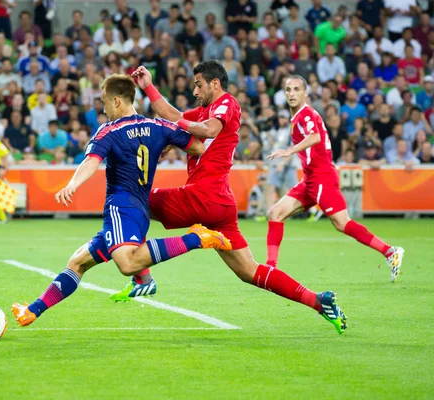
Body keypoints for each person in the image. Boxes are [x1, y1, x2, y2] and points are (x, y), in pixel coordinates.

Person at [129, 62, 347, 334]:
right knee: (249, 271)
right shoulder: (205, 110)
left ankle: (143, 276)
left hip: (203, 196)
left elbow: (207, 130)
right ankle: (318, 300)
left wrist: (177, 127)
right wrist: (148, 86)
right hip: (220, 203)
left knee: (133, 198)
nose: (195, 91)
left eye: (199, 84)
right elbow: (170, 112)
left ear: (215, 84)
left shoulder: (227, 104)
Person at [10, 74, 223, 326]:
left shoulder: (110, 131)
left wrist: (72, 184)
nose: (103, 109)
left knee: (127, 263)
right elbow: (198, 147)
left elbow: (91, 161)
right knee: (78, 262)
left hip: (121, 207)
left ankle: (195, 238)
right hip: (139, 210)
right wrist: (166, 146)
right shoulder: (158, 127)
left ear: (117, 101)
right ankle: (32, 311)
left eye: (104, 102)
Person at [266, 75, 404, 284]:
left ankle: (390, 251)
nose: (292, 94)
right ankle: (271, 268)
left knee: (342, 223)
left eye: (296, 89)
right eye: (288, 90)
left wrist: (289, 151)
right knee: (275, 213)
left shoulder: (306, 114)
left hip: (322, 178)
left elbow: (315, 137)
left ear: (305, 93)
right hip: (310, 179)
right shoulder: (297, 117)